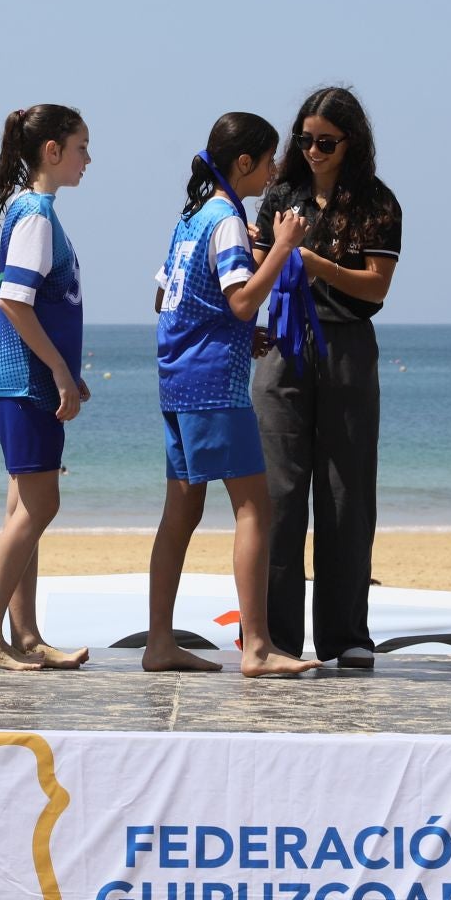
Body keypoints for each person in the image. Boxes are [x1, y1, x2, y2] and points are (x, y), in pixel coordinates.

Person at [145, 112, 322, 678]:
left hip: (176, 381)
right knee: (254, 508)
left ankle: (159, 643)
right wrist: (284, 245)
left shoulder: (192, 217)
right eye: (269, 160)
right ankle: (258, 647)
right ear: (243, 164)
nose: (274, 171)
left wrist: (239, 332)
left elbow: (167, 302)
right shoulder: (226, 219)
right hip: (214, 388)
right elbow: (243, 299)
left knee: (182, 512)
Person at [250, 86, 402, 668]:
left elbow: (376, 286)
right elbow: (257, 264)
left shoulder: (377, 202)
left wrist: (317, 264)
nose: (314, 151)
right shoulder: (281, 193)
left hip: (346, 345)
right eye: (306, 140)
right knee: (278, 496)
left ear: (351, 143)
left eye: (327, 143)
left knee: (346, 496)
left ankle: (346, 636)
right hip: (282, 344)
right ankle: (276, 638)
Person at [0, 105, 94, 671]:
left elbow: (42, 307)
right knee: (41, 504)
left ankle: (26, 634)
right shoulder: (37, 215)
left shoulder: (31, 211)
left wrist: (69, 368)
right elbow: (14, 301)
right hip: (26, 384)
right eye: (81, 148)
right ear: (52, 151)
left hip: (23, 380)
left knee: (25, 508)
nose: (88, 159)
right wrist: (60, 372)